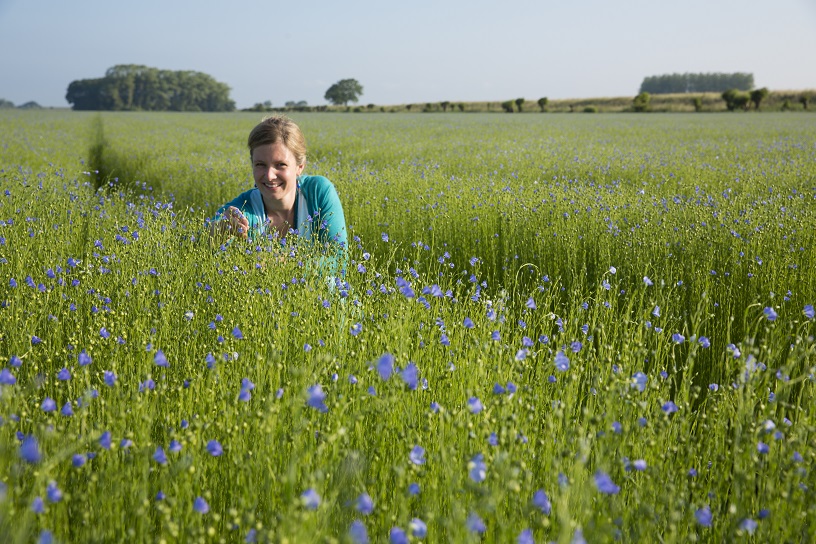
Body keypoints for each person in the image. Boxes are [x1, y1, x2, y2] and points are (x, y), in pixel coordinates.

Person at [210, 115, 347, 277]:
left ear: (299, 167)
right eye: (260, 165)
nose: (269, 176)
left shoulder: (317, 192)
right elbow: (199, 250)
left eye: (280, 165)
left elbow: (339, 261)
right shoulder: (243, 210)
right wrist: (216, 234)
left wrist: (281, 263)